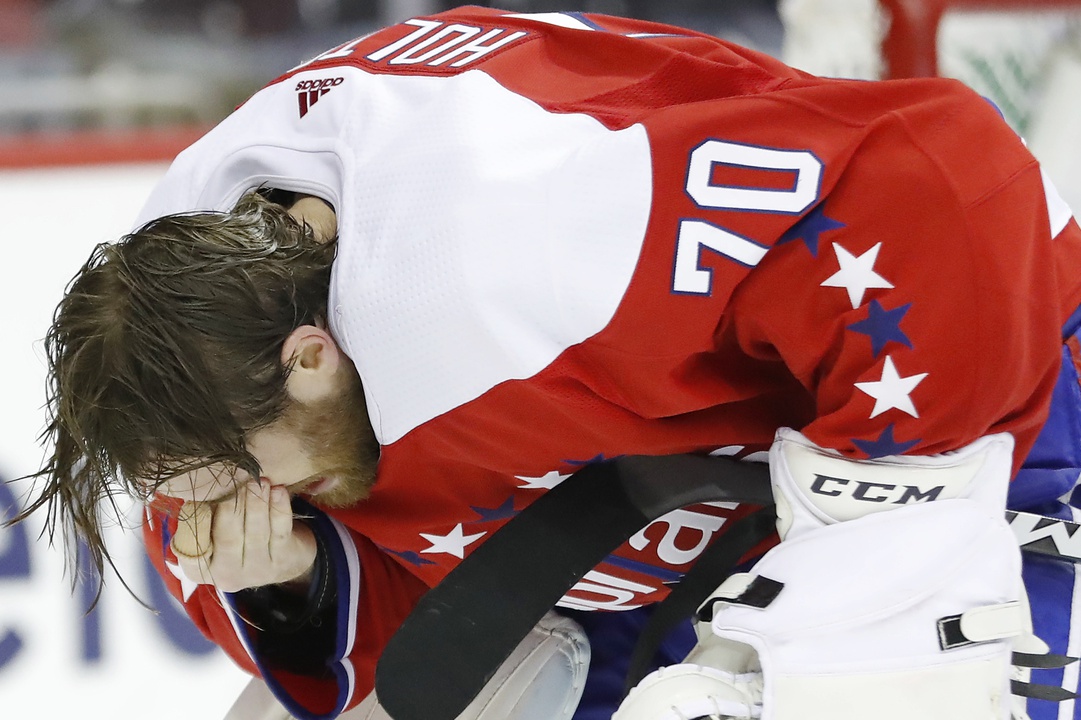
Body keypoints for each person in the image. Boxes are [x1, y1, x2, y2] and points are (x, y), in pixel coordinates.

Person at [13, 5, 1081, 720]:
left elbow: (938, 168)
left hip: (992, 404)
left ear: (310, 357)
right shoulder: (192, 353)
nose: (254, 502)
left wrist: (877, 532)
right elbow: (416, 643)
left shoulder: (513, 246)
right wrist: (290, 580)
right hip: (669, 543)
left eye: (263, 475)